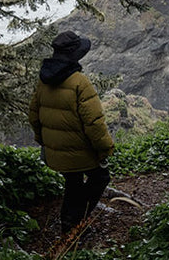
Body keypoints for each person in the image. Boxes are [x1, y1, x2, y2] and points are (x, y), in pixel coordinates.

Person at [28, 31, 114, 234]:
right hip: (79, 151)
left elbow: (34, 115)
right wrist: (105, 150)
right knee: (101, 177)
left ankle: (69, 222)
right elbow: (93, 122)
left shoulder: (44, 80)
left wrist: (45, 143)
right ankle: (77, 221)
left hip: (55, 150)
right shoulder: (79, 82)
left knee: (73, 182)